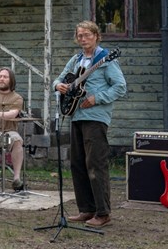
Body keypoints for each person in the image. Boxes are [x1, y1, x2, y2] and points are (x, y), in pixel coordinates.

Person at [53, 20, 126, 229]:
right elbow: (57, 79)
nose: (83, 39)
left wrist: (97, 98)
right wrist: (59, 86)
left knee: (95, 164)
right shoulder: (76, 60)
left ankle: (103, 213)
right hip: (76, 116)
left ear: (96, 36)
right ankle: (86, 209)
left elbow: (120, 87)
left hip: (95, 117)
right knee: (77, 164)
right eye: (80, 35)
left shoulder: (106, 59)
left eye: (87, 35)